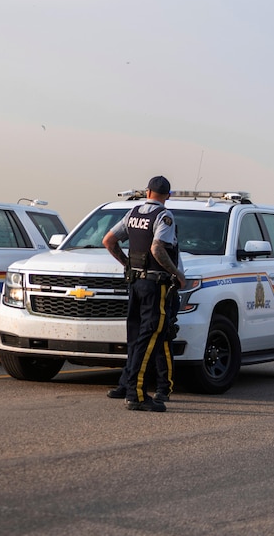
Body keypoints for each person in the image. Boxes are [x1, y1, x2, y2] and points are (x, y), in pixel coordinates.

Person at [102, 176, 185, 412]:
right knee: (151, 338)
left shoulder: (134, 213)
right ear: (168, 196)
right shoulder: (163, 216)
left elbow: (108, 241)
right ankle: (136, 394)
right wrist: (177, 273)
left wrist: (128, 264)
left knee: (137, 337)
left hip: (136, 283)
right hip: (155, 285)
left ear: (147, 192)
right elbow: (157, 247)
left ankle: (130, 386)